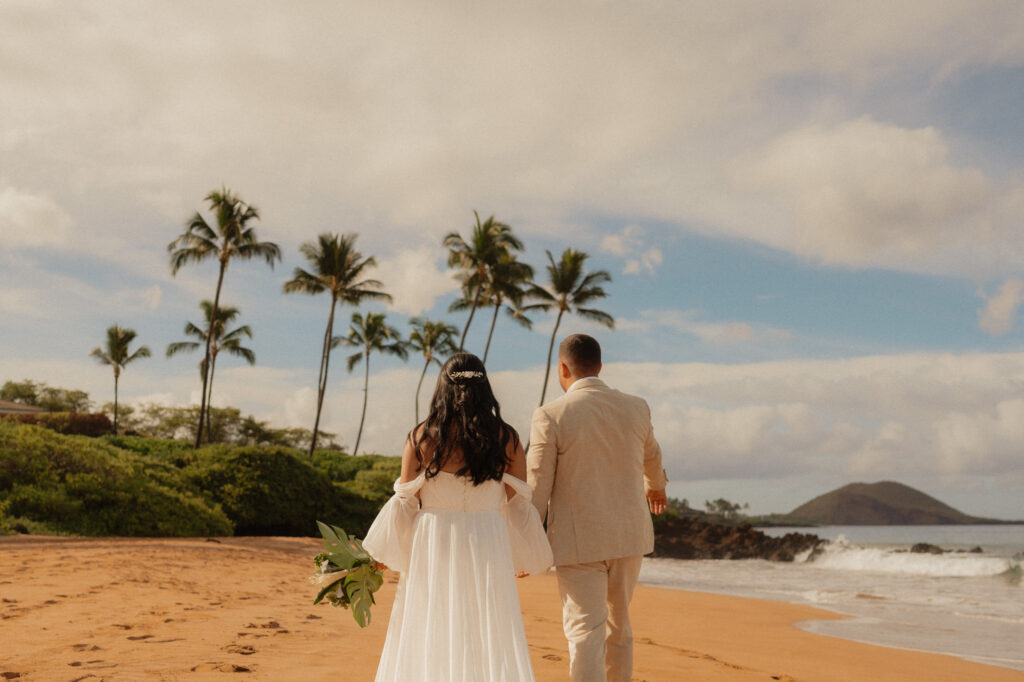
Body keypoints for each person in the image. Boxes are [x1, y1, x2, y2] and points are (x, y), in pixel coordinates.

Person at [363, 352, 553, 682]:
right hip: (487, 539)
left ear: (442, 388)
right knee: (486, 621)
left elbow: (406, 501)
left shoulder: (421, 436)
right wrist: (524, 550)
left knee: (430, 618)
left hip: (433, 539)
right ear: (485, 388)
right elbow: (518, 501)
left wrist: (381, 551)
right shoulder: (506, 438)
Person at [527, 333, 667, 682]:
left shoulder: (550, 414)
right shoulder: (637, 406)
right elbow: (652, 454)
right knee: (618, 627)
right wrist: (657, 487)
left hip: (579, 541)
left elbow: (538, 484)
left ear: (562, 368)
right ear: (600, 366)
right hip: (629, 536)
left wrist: (526, 540)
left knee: (585, 632)